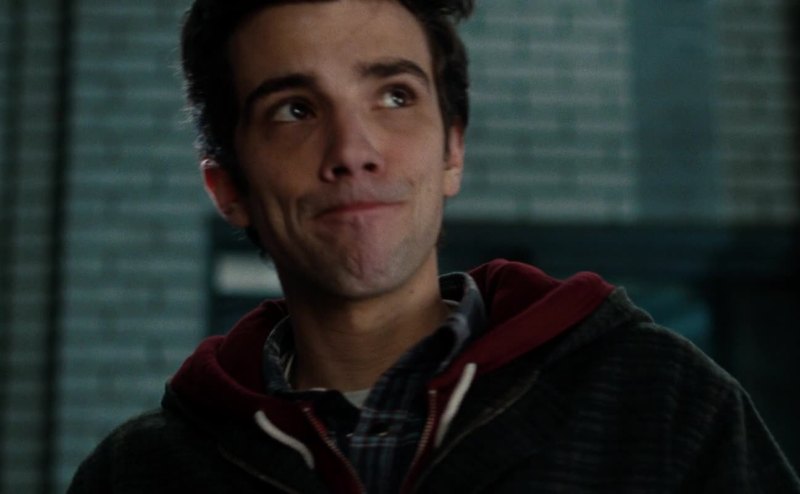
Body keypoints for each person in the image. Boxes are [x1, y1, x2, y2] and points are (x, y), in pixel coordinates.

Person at [68, 0, 800, 492]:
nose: (353, 151)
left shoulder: (660, 403)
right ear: (228, 188)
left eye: (394, 95)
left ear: (453, 151)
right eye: (294, 110)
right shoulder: (139, 475)